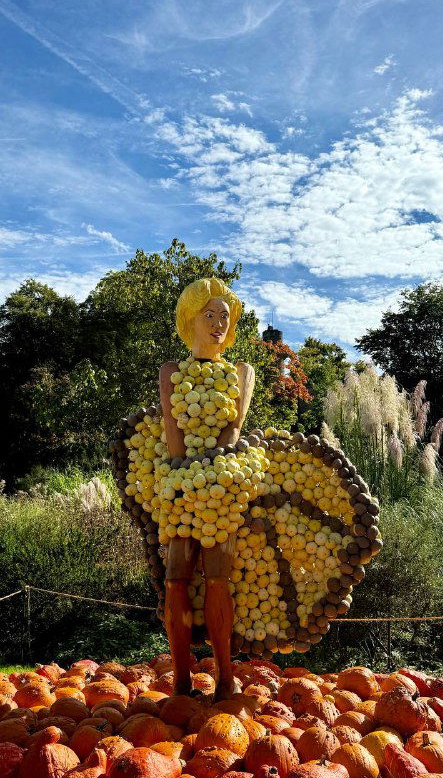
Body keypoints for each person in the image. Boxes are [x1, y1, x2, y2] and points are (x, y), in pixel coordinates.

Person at [159, 277, 254, 700]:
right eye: (209, 315)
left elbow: (233, 432)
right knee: (176, 575)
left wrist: (210, 479)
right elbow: (173, 433)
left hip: (219, 487)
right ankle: (181, 678)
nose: (218, 323)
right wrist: (185, 480)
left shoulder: (241, 373)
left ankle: (225, 676)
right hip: (182, 482)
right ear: (190, 319)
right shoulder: (169, 373)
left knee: (218, 576)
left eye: (225, 317)